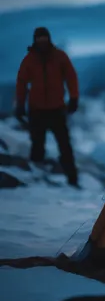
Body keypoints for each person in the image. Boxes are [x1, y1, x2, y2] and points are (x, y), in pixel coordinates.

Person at [15, 27, 80, 187]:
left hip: (56, 108)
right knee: (38, 146)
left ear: (48, 39)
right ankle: (37, 180)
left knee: (64, 146)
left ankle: (72, 180)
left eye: (44, 38)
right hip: (37, 109)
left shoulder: (59, 57)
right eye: (39, 39)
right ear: (35, 40)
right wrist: (20, 105)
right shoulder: (30, 59)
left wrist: (74, 98)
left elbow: (71, 77)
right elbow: (21, 84)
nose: (42, 41)